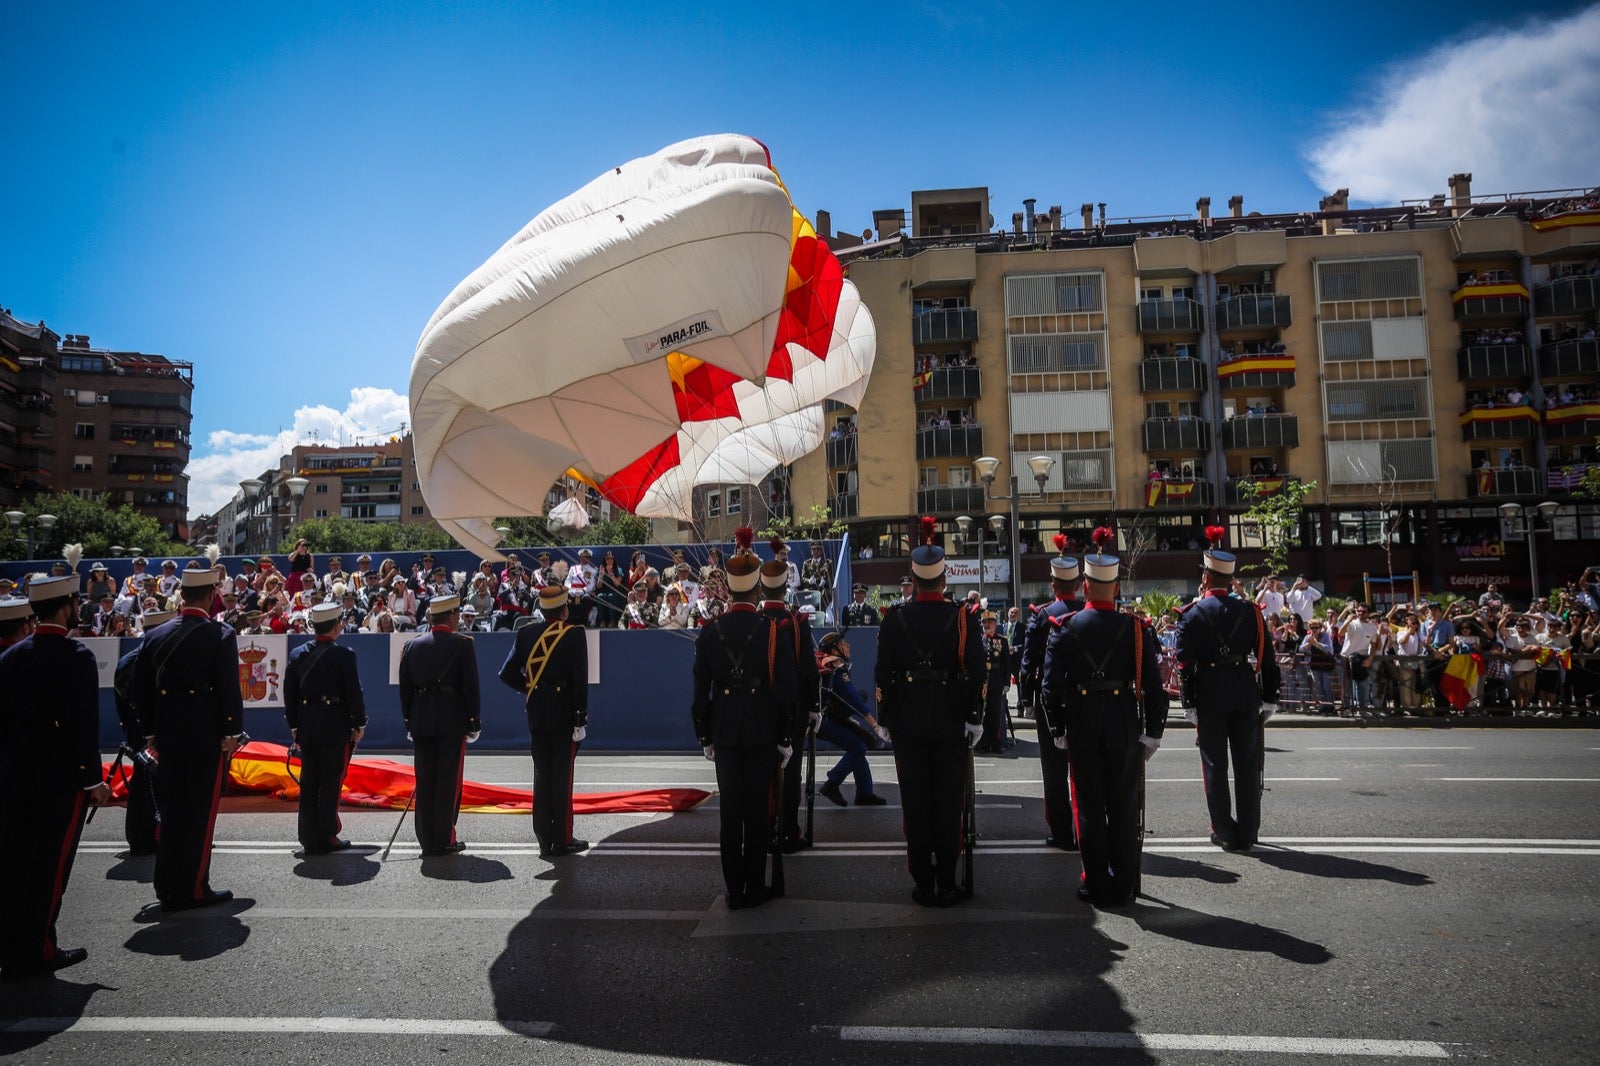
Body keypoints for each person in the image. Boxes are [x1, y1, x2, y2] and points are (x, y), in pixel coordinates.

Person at [0, 574, 113, 979]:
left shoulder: (10, 657)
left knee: (13, 861)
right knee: (49, 868)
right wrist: (92, 780)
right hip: (59, 779)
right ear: (66, 606)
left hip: (14, 775)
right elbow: (81, 727)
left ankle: (11, 946)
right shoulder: (76, 656)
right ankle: (39, 949)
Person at [1040, 548, 1165, 908]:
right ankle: (1124, 885)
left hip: (1081, 726)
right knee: (1124, 807)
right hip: (1124, 727)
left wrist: (1058, 728)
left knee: (1090, 808)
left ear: (1084, 586)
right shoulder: (1135, 628)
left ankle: (1096, 883)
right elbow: (1153, 686)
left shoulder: (1065, 627)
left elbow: (1051, 687)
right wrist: (1153, 732)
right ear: (1116, 588)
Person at [874, 516, 984, 907]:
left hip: (906, 721)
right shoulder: (962, 618)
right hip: (950, 720)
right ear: (944, 578)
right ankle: (947, 881)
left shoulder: (894, 619)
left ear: (914, 579)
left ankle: (922, 880)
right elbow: (976, 670)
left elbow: (882, 674)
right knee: (948, 802)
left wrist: (885, 718)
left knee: (915, 803)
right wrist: (975, 715)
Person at [690, 528, 796, 909]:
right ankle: (754, 885)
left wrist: (704, 736)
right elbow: (785, 691)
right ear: (755, 590)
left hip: (725, 732)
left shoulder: (709, 631)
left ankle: (734, 890)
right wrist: (785, 737)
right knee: (757, 811)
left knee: (730, 814)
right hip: (763, 731)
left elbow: (700, 692)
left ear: (730, 589)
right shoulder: (771, 630)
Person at [132, 564, 245, 910]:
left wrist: (151, 733)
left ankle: (166, 884)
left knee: (172, 810)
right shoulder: (220, 634)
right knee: (199, 814)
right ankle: (194, 888)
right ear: (211, 595)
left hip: (167, 734)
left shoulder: (154, 636)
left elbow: (141, 690)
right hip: (205, 735)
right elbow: (229, 688)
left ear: (181, 595)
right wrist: (231, 732)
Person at [1175, 535, 1280, 853]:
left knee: (1214, 766)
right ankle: (1248, 832)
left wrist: (1189, 702)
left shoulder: (1191, 614)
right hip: (1245, 692)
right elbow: (1266, 658)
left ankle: (1223, 829)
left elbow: (1183, 663)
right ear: (1230, 579)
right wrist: (1270, 697)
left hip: (1208, 693)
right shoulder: (1250, 612)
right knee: (1247, 764)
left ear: (1205, 578)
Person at [498, 585, 589, 858]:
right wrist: (580, 718)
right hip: (563, 714)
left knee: (541, 775)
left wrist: (529, 689)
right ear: (564, 610)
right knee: (562, 778)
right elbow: (579, 681)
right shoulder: (574, 635)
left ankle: (543, 838)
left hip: (537, 712)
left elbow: (506, 673)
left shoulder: (526, 633)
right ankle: (562, 838)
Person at [397, 594, 481, 856]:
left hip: (421, 719)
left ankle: (426, 838)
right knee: (447, 780)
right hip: (451, 718)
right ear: (452, 616)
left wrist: (409, 721)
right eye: (456, 615)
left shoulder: (412, 646)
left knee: (425, 779)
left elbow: (405, 690)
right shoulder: (462, 645)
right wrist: (473, 721)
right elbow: (470, 687)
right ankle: (444, 837)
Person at [284, 601, 367, 856]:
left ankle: (307, 834)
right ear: (336, 625)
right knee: (331, 781)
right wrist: (358, 723)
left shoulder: (298, 653)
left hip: (308, 724)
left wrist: (295, 725)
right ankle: (327, 834)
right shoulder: (344, 655)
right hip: (334, 724)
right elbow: (353, 693)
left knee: (309, 781)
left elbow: (290, 692)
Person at [1018, 534, 1084, 850]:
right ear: (1079, 583)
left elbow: (1028, 663)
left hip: (1051, 700)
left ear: (1053, 583)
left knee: (1054, 771)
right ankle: (1087, 829)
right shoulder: (1087, 610)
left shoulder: (1043, 614)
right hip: (1087, 700)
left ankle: (1061, 832)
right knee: (1085, 770)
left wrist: (1026, 702)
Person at [760, 540, 820, 852]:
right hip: (792, 711)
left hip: (758, 710)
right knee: (791, 772)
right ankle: (787, 830)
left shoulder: (755, 621)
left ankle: (762, 829)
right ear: (786, 588)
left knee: (760, 776)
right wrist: (814, 708)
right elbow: (810, 670)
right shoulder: (797, 622)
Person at [111, 606, 175, 856]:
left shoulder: (127, 660)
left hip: (136, 729)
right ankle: (166, 835)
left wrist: (129, 727)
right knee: (168, 785)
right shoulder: (164, 659)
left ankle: (139, 838)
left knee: (140, 784)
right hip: (162, 729)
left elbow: (119, 701)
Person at [814, 632, 886, 806]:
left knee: (860, 743)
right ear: (834, 649)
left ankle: (864, 793)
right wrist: (874, 724)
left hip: (827, 718)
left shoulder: (830, 665)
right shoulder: (836, 667)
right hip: (825, 721)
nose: (848, 646)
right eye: (843, 643)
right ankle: (832, 783)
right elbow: (852, 698)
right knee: (858, 746)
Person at [977, 611, 1010, 752]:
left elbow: (1006, 663)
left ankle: (995, 743)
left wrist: (1007, 682)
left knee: (995, 714)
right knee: (983, 714)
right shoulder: (979, 640)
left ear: (995, 624)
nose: (987, 625)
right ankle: (984, 743)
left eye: (989, 622)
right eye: (984, 623)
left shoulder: (1002, 641)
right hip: (983, 682)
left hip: (996, 681)